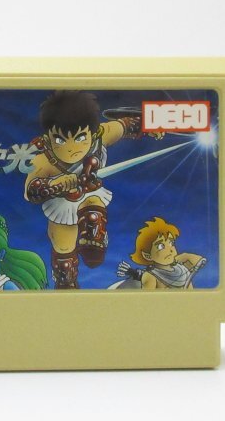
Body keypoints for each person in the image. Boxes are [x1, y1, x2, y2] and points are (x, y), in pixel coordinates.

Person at [24, 90, 160, 289]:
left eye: (80, 138)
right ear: (48, 137)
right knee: (63, 248)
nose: (71, 148)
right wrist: (56, 184)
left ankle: (93, 239)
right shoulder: (44, 160)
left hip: (90, 194)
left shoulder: (101, 136)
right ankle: (66, 284)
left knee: (93, 212)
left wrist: (151, 126)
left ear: (92, 133)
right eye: (61, 140)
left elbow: (127, 125)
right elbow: (30, 191)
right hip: (61, 202)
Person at [116, 217, 206, 290]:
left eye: (171, 243)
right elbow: (147, 301)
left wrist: (184, 256)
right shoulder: (150, 277)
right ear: (148, 255)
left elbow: (198, 260)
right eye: (161, 246)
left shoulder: (182, 270)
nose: (170, 249)